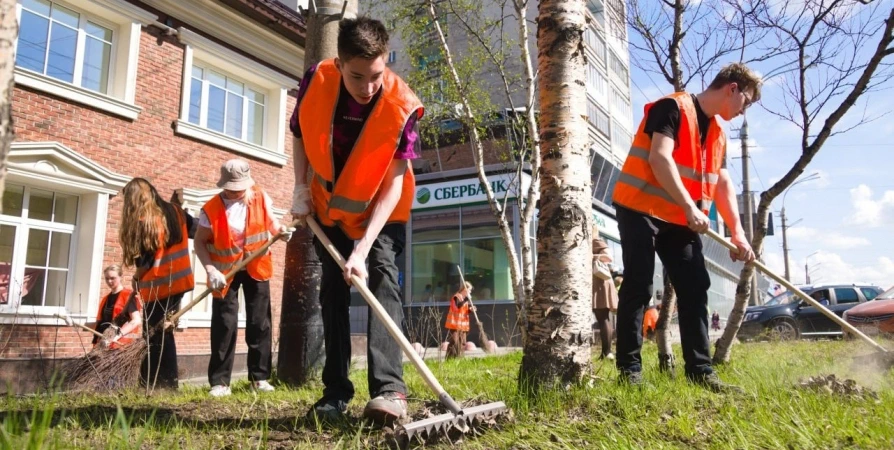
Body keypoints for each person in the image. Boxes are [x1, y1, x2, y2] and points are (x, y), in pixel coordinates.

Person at [289, 17, 423, 424]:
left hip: (381, 213)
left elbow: (395, 185)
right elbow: (298, 130)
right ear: (340, 63)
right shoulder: (318, 78)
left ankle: (389, 391)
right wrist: (299, 186)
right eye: (357, 76)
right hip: (329, 209)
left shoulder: (403, 106)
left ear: (386, 62)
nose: (368, 88)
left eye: (376, 75)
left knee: (380, 276)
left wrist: (363, 250)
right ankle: (335, 393)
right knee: (332, 290)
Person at [611, 63, 759, 393]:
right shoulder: (671, 107)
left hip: (678, 216)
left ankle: (700, 371)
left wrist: (737, 232)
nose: (743, 110)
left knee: (695, 285)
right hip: (639, 206)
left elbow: (722, 182)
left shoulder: (718, 135)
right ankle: (630, 372)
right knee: (638, 282)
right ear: (731, 89)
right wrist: (691, 207)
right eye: (746, 101)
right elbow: (659, 158)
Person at [194, 159, 293, 398]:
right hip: (224, 274)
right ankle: (220, 383)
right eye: (230, 187)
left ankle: (259, 378)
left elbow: (272, 225)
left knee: (259, 323)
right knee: (224, 325)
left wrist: (281, 232)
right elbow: (199, 242)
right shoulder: (211, 209)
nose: (234, 191)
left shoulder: (260, 197)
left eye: (238, 187)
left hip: (256, 267)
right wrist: (210, 270)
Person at [119, 178, 195, 390]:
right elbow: (198, 230)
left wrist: (136, 278)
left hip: (158, 287)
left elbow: (145, 262)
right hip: (179, 283)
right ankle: (158, 383)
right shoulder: (175, 212)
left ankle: (161, 385)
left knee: (155, 334)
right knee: (163, 332)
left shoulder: (144, 220)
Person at [92, 265, 142, 349]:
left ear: (120, 277)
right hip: (104, 346)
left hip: (120, 347)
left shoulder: (128, 296)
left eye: (112, 278)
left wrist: (116, 335)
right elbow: (101, 323)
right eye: (107, 278)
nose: (109, 281)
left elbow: (136, 320)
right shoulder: (105, 299)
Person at [592, 227, 618, 360]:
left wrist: (592, 256)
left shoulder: (595, 240)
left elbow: (609, 257)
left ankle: (607, 352)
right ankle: (606, 352)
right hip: (598, 283)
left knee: (602, 317)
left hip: (600, 283)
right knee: (602, 317)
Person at [445, 281, 474, 359]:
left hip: (463, 325)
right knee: (454, 341)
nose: (470, 292)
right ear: (465, 289)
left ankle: (459, 357)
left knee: (462, 342)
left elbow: (463, 311)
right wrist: (466, 299)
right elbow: (456, 308)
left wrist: (470, 309)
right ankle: (449, 358)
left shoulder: (465, 299)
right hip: (454, 324)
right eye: (469, 290)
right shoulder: (456, 297)